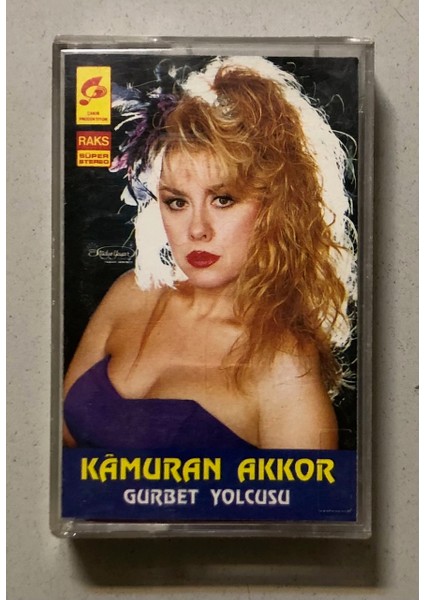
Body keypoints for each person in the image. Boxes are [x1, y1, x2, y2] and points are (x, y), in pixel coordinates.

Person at [63, 56, 356, 450]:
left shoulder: (283, 363)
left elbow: (309, 493)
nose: (197, 229)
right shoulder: (130, 294)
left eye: (223, 199)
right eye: (177, 202)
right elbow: (54, 447)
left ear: (274, 208)